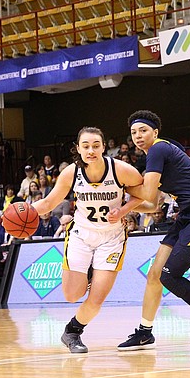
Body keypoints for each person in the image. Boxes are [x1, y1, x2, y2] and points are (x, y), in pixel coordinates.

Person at [118, 111, 190, 350]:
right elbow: (153, 204)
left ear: (155, 132)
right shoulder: (158, 154)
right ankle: (145, 332)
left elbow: (146, 195)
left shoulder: (158, 149)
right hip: (188, 215)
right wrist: (123, 206)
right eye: (134, 132)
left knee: (169, 275)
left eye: (143, 131)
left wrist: (119, 188)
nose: (138, 136)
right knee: (154, 274)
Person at [31, 127, 145, 353]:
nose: (91, 150)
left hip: (112, 238)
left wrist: (123, 211)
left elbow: (144, 195)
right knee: (72, 295)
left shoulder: (121, 170)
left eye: (95, 145)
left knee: (96, 299)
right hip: (81, 236)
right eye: (86, 146)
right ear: (78, 149)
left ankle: (72, 332)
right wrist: (20, 212)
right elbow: (47, 203)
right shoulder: (71, 173)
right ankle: (91, 271)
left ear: (104, 147)